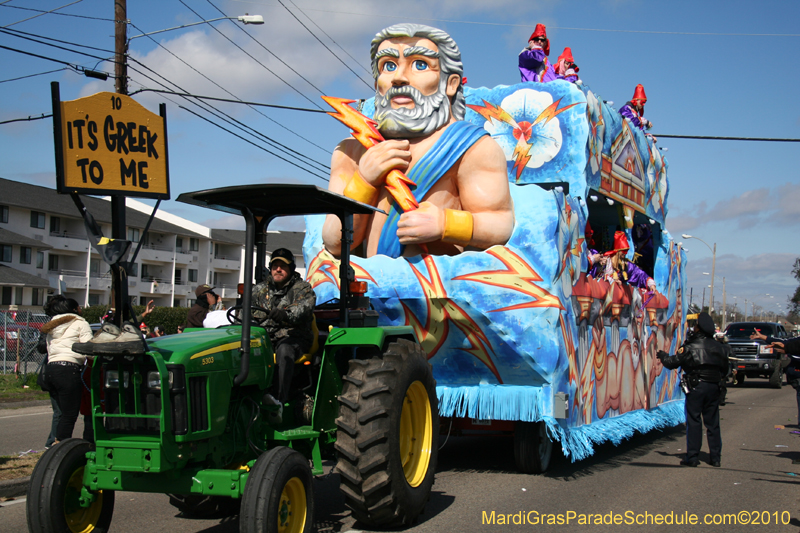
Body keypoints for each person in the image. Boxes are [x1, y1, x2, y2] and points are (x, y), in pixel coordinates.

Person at [323, 23, 514, 259]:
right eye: (389, 66)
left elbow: (500, 223)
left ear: (450, 83)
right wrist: (364, 181)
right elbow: (334, 242)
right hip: (369, 289)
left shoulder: (473, 148)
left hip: (438, 291)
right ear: (377, 84)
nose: (399, 78)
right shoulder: (351, 151)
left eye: (420, 65)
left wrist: (445, 223)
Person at [251, 248, 316, 423]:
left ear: (291, 269)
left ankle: (277, 401)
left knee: (285, 349)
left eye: (282, 266)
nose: (278, 269)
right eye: (275, 266)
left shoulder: (302, 289)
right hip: (265, 338)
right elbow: (244, 313)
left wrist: (286, 314)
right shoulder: (258, 291)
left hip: (294, 338)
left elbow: (304, 308)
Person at [657, 312, 729, 467]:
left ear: (699, 328)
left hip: (696, 386)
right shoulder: (721, 347)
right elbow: (725, 370)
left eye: (695, 326)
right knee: (713, 423)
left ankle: (693, 457)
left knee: (694, 421)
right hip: (714, 386)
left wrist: (662, 356)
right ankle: (715, 458)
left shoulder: (690, 347)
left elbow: (672, 363)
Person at [41, 295, 94, 444]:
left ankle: (53, 444)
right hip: (69, 370)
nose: (81, 309)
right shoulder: (80, 323)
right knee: (69, 414)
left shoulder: (52, 324)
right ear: (73, 309)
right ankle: (60, 445)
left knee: (60, 413)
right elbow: (87, 349)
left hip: (51, 369)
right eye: (79, 307)